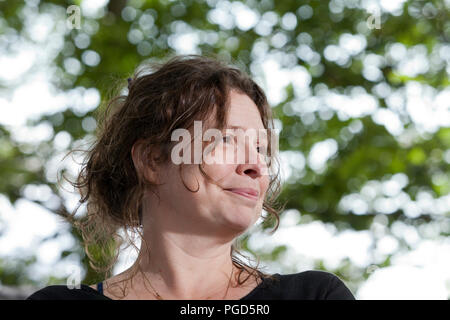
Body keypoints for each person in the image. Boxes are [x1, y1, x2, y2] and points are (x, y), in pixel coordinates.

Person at [26, 54, 355, 300]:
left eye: (261, 147)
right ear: (153, 160)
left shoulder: (314, 296)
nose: (256, 165)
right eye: (226, 139)